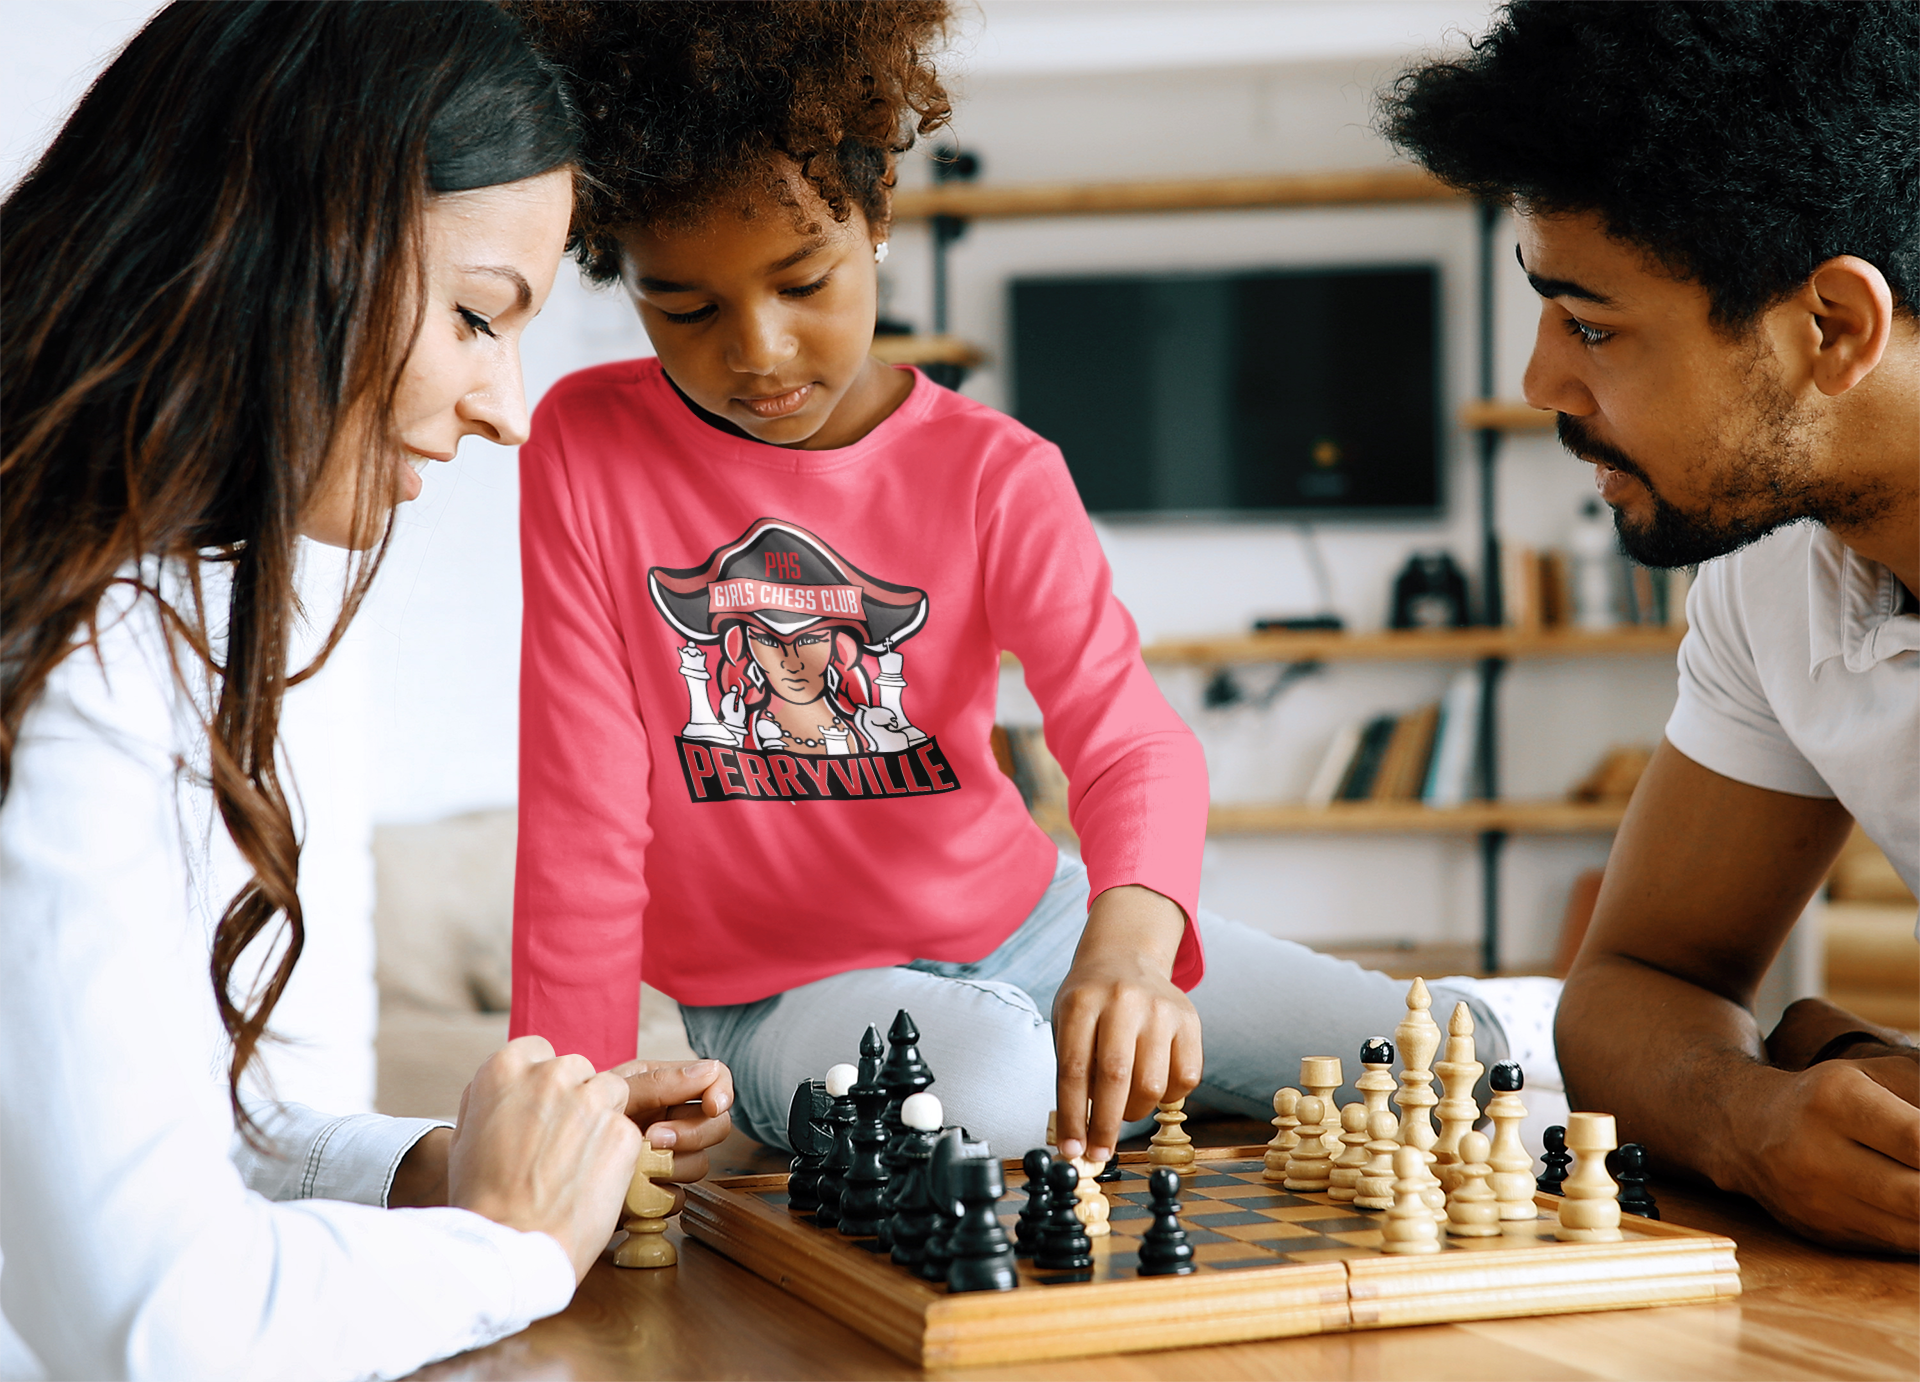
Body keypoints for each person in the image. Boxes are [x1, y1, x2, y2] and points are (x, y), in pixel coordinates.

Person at [503, 0, 1564, 1169]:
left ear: (877, 216)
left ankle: (1126, 1067)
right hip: (780, 995)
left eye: (803, 281)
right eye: (685, 306)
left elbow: (1132, 740)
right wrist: (566, 1111)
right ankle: (1089, 1081)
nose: (756, 350)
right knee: (1001, 1078)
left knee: (1449, 1055)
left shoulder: (994, 471)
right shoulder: (586, 447)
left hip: (1027, 919)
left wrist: (1128, 945)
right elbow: (580, 815)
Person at [0, 2, 732, 1378]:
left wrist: (442, 1171)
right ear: (298, 235)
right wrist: (510, 1246)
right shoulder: (69, 650)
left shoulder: (129, 604)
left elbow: (147, 1151)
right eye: (477, 316)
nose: (511, 409)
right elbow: (160, 1318)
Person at [1385, 0, 1920, 1253]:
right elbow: (1631, 989)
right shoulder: (1772, 585)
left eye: (1594, 326)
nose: (1541, 382)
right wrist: (1749, 1115)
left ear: (1834, 329)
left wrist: (1836, 1046)